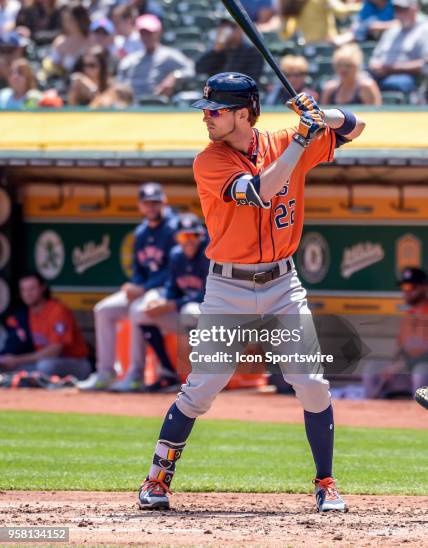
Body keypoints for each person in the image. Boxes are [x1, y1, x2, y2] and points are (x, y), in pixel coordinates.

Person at [137, 72, 365, 512]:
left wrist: (323, 115)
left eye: (215, 110)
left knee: (312, 384)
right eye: (205, 110)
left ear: (243, 113)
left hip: (282, 283)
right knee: (204, 386)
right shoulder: (209, 161)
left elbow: (356, 127)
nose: (206, 117)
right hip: (227, 287)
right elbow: (263, 191)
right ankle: (157, 481)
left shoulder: (284, 138)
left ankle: (325, 482)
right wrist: (303, 137)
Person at [78, 183, 178, 392]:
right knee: (103, 310)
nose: (151, 207)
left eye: (155, 203)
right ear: (140, 206)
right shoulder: (141, 232)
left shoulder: (173, 228)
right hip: (145, 289)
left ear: (164, 202)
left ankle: (135, 375)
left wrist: (142, 290)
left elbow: (173, 270)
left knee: (136, 309)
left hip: (165, 291)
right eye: (146, 203)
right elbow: (138, 268)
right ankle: (105, 372)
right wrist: (135, 286)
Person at [110, 213, 209, 393]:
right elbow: (172, 287)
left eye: (192, 236)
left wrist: (171, 305)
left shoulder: (208, 256)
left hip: (209, 316)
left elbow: (207, 295)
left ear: (201, 236)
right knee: (141, 313)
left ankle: (198, 381)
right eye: (183, 236)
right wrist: (160, 302)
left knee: (188, 311)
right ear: (177, 238)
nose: (188, 241)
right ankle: (168, 372)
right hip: (183, 310)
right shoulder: (176, 255)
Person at [0, 272, 91, 380]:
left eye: (32, 289)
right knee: (7, 368)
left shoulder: (57, 310)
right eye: (24, 290)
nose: (28, 294)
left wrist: (16, 360)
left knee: (45, 366)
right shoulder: (27, 314)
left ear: (42, 288)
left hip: (76, 363)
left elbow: (55, 351)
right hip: (41, 362)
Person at [363, 268, 428, 399]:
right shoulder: (407, 317)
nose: (407, 291)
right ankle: (373, 415)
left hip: (422, 372)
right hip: (406, 371)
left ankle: (420, 417)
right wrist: (391, 367)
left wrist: (400, 365)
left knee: (420, 372)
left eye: (411, 286)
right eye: (404, 287)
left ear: (424, 287)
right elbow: (401, 351)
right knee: (372, 370)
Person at [118, 14, 194, 101]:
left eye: (150, 33)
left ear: (158, 32)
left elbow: (190, 69)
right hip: (132, 107)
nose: (146, 37)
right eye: (143, 33)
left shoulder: (168, 55)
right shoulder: (129, 60)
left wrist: (175, 77)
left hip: (158, 106)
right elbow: (120, 82)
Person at [369, 0, 428, 93]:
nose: (399, 13)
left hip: (406, 77)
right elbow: (375, 57)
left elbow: (424, 64)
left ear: (415, 9)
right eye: (397, 9)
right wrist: (375, 65)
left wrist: (392, 68)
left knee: (393, 84)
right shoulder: (392, 30)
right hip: (380, 74)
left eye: (403, 9)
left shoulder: (424, 30)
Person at [195, 16, 264, 82]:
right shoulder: (217, 50)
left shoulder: (252, 53)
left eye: (232, 27)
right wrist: (216, 50)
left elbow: (251, 79)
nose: (227, 31)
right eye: (224, 26)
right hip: (216, 91)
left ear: (241, 29)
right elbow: (199, 69)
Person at [44, 2, 92, 76]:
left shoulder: (90, 42)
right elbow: (52, 66)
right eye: (66, 19)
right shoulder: (59, 40)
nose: (67, 23)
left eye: (71, 20)